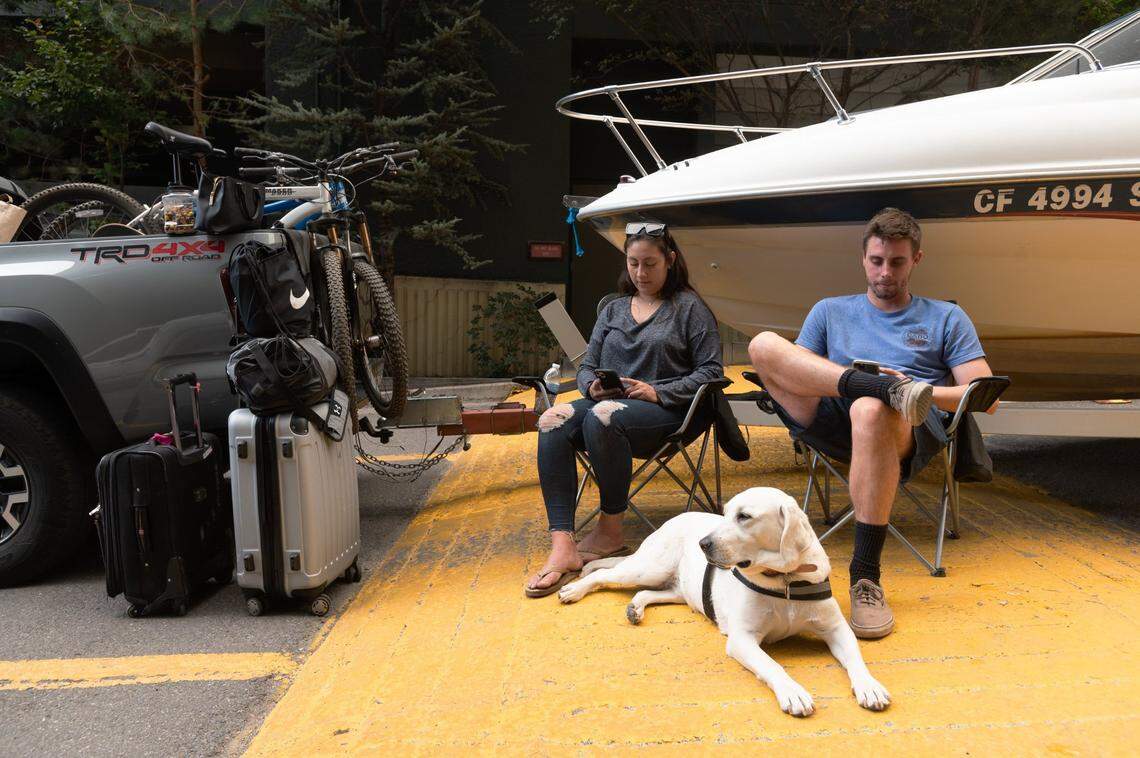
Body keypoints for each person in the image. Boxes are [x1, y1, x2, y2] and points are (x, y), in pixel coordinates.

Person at [747, 207, 994, 638]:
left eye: (897, 262)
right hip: (829, 413)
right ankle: (877, 388)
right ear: (863, 258)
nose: (885, 272)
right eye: (877, 261)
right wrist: (867, 384)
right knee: (763, 343)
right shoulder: (829, 310)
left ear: (916, 259)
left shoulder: (945, 317)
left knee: (871, 409)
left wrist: (918, 390)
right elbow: (795, 370)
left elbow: (983, 397)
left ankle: (865, 576)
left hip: (908, 425)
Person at [525, 222, 723, 598]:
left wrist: (657, 390)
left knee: (605, 416)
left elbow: (711, 373)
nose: (640, 273)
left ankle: (609, 532)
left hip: (668, 413)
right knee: (552, 419)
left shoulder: (690, 309)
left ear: (670, 260)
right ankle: (563, 547)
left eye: (650, 264)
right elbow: (586, 365)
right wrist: (590, 386)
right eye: (633, 263)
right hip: (611, 403)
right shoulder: (614, 310)